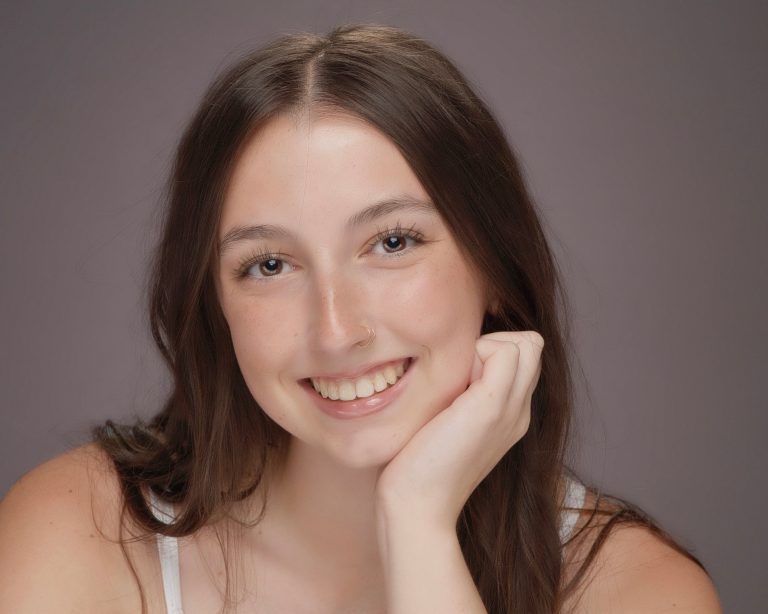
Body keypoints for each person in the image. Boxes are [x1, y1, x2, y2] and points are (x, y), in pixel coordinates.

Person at [0, 23, 721, 614]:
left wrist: (418, 524)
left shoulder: (635, 592)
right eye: (270, 265)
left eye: (393, 243)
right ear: (214, 304)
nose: (336, 330)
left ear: (495, 267)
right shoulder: (81, 533)